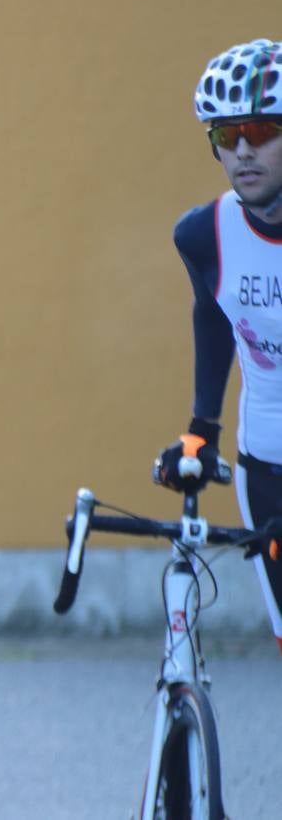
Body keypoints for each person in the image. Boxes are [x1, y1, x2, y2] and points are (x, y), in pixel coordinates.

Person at [154, 39, 282, 652]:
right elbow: (212, 319)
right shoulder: (204, 234)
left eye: (259, 130)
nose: (242, 151)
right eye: (225, 136)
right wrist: (201, 429)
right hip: (268, 464)